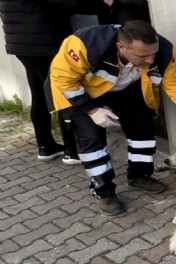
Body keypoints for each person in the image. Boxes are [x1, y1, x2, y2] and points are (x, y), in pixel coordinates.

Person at [46, 20, 176, 215]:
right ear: (121, 47)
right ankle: (103, 192)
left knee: (144, 128)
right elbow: (63, 78)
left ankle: (139, 175)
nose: (150, 60)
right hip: (82, 93)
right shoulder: (84, 43)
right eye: (143, 56)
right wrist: (92, 110)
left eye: (153, 53)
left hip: (125, 89)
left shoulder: (163, 50)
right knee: (92, 141)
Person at [0, 0, 113, 164]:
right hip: (43, 41)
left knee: (39, 93)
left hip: (22, 43)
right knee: (63, 93)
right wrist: (101, 6)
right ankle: (72, 150)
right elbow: (64, 2)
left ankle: (46, 146)